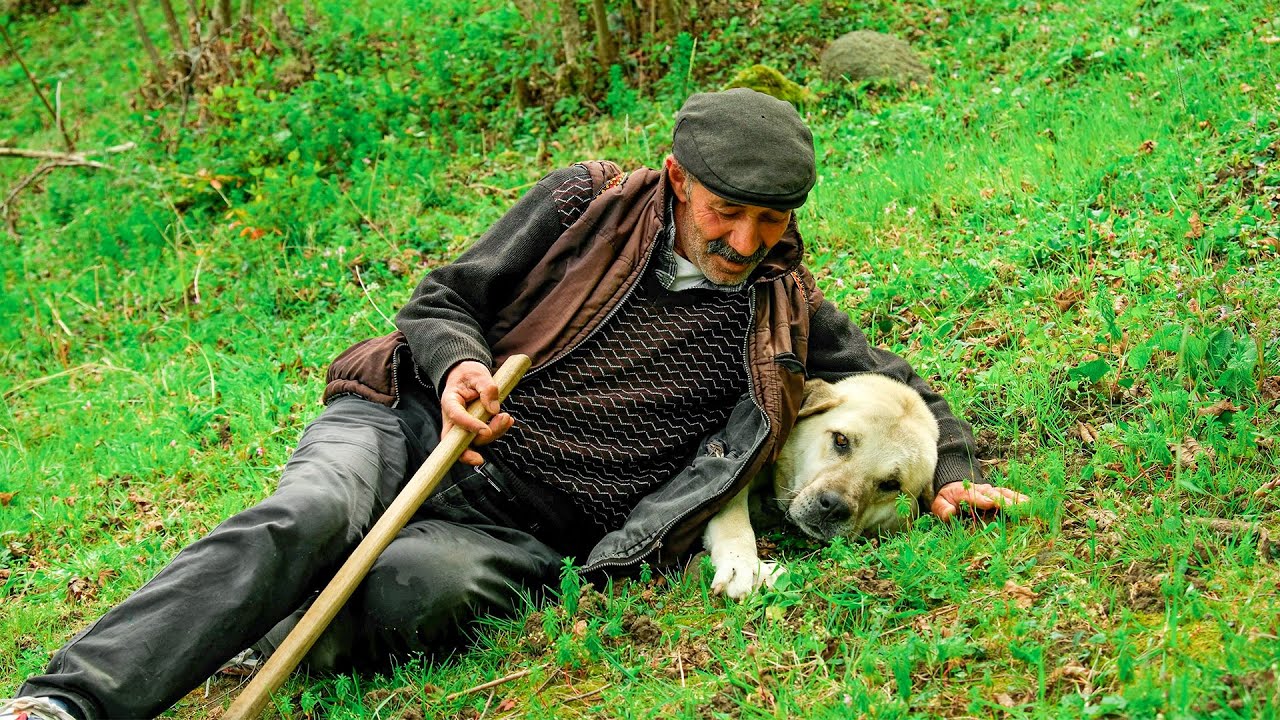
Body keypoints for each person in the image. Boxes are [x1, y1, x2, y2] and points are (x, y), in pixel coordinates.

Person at [2, 88, 1027, 720]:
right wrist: (458, 368)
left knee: (415, 590)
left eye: (770, 221)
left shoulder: (782, 311)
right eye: (728, 213)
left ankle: (252, 629)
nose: (746, 242)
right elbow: (442, 299)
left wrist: (956, 472)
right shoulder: (584, 202)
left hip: (523, 525)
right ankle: (66, 701)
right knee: (309, 516)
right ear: (677, 180)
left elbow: (905, 389)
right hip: (405, 420)